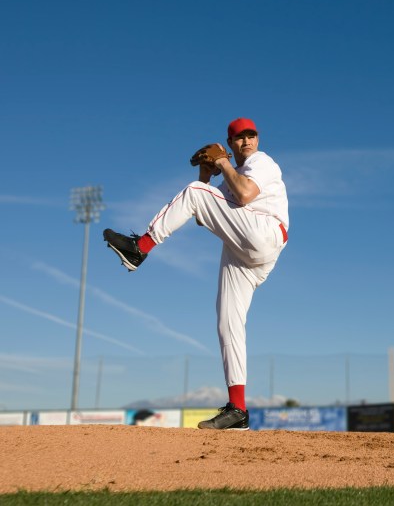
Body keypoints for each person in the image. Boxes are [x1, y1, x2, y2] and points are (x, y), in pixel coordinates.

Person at [103, 117, 289, 430]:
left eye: (250, 135)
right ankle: (238, 410)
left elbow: (243, 195)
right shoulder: (233, 175)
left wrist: (222, 166)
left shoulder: (262, 162)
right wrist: (206, 175)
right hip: (243, 248)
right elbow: (202, 214)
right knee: (228, 322)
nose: (246, 141)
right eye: (239, 137)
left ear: (257, 139)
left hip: (265, 234)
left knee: (192, 192)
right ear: (230, 143)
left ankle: (141, 247)